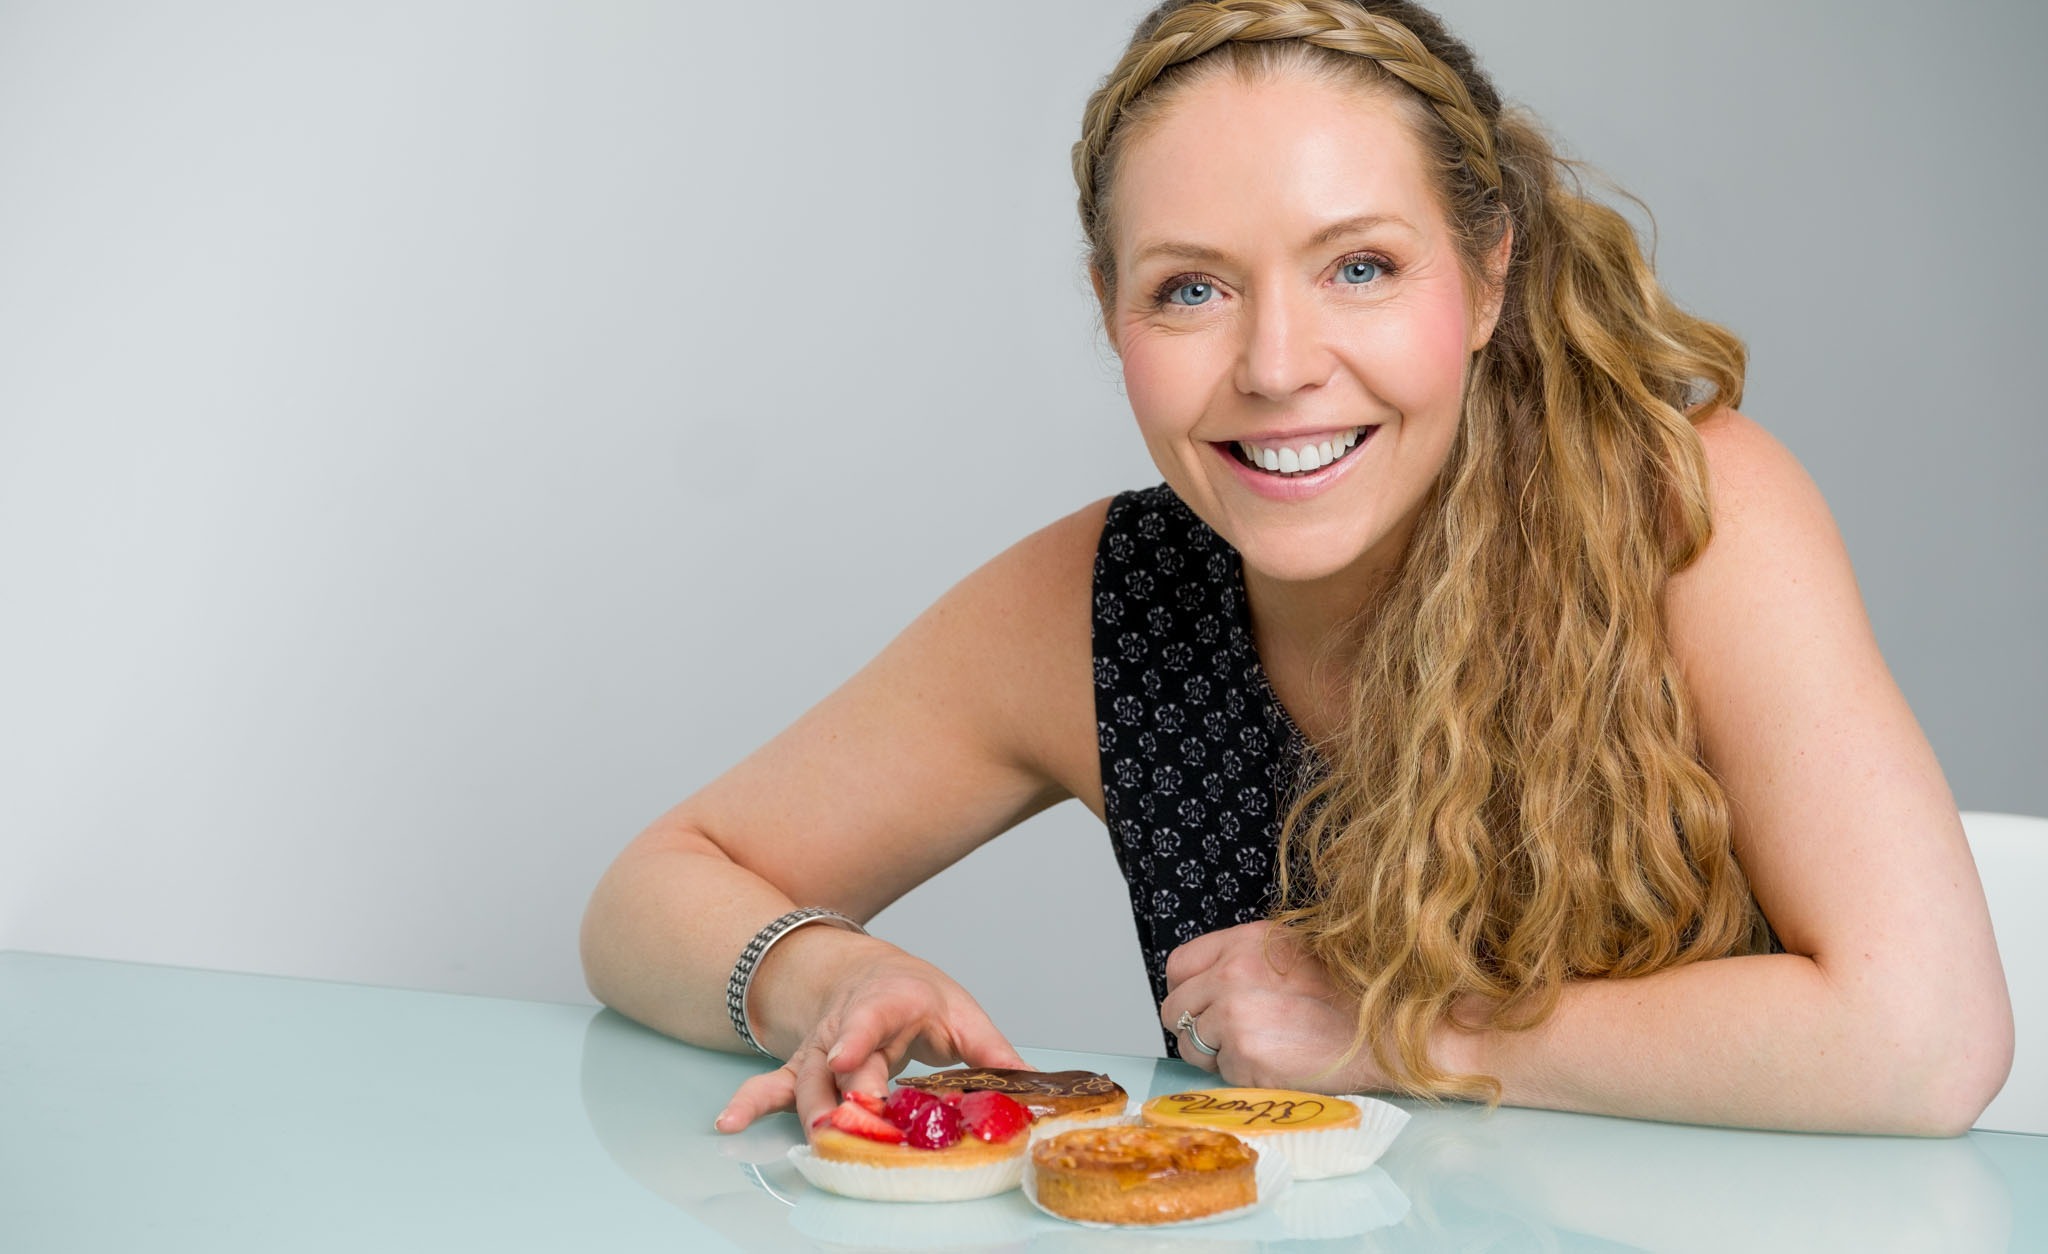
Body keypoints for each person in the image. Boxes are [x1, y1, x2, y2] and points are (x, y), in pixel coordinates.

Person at [580, 0, 2012, 1137]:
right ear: (1108, 309)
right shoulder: (1096, 601)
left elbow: (1923, 1040)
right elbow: (653, 888)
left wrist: (1396, 1027)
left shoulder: (1690, 511)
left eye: (1361, 268)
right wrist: (824, 974)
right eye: (1191, 288)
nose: (1276, 367)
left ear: (1489, 273)